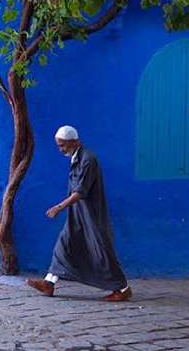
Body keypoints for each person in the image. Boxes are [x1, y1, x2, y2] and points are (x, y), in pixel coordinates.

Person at [26, 125, 132, 302]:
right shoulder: (77, 157)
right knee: (64, 244)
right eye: (59, 146)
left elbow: (80, 192)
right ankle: (49, 283)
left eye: (63, 146)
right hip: (78, 214)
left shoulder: (88, 160)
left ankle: (123, 288)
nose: (61, 150)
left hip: (91, 214)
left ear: (75, 142)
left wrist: (58, 207)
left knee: (100, 250)